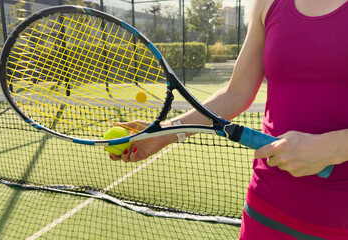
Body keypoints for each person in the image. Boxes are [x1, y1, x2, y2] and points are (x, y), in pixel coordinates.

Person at [109, 0, 348, 238]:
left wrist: (331, 148)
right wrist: (163, 133)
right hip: (266, 207)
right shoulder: (268, 3)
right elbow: (235, 94)